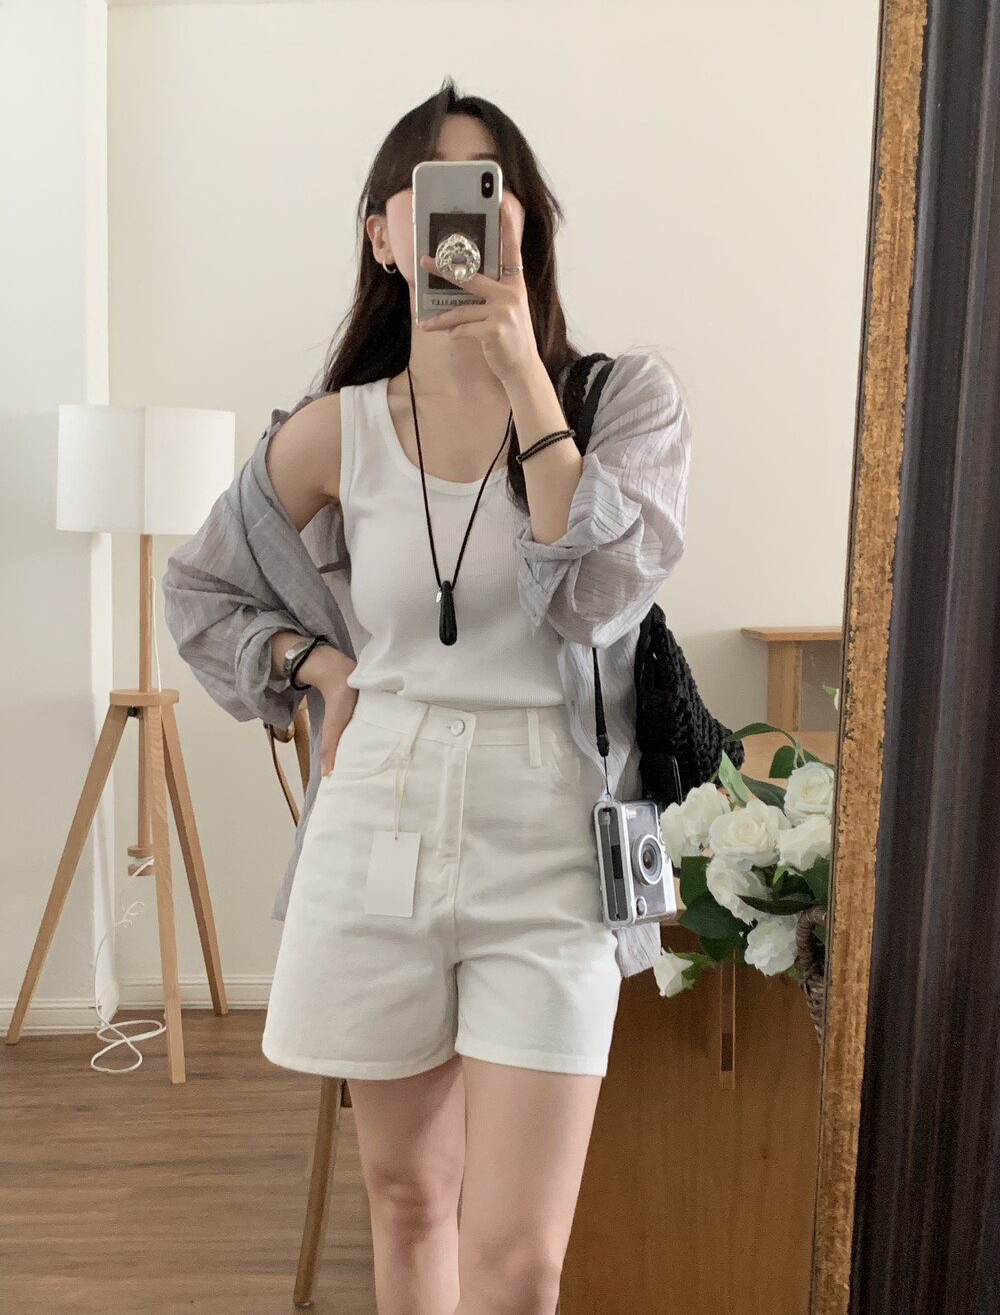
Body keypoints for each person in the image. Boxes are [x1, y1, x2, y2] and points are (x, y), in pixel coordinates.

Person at [163, 79, 690, 1315]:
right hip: (380, 812)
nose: (466, 217)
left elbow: (595, 596)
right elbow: (200, 588)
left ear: (525, 222)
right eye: (433, 189)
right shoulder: (335, 432)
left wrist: (523, 378)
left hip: (548, 835)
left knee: (518, 1257)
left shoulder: (620, 402)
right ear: (383, 232)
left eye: (492, 189)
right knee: (405, 1197)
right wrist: (317, 664)